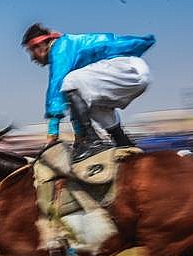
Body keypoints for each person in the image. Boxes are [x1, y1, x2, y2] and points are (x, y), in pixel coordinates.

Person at [22, 23, 155, 161]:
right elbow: (75, 102)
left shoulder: (60, 49)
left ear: (40, 45)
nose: (32, 58)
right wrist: (78, 137)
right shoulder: (66, 49)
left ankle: (92, 142)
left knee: (69, 81)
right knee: (89, 103)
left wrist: (52, 134)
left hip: (127, 69)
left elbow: (56, 88)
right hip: (132, 72)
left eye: (31, 51)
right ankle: (121, 141)